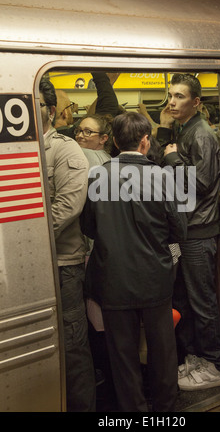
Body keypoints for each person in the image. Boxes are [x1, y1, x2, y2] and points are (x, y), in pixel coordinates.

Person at [80, 112, 187, 412]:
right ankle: (165, 409)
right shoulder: (162, 175)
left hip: (113, 280)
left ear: (113, 141)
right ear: (145, 141)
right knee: (162, 351)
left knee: (122, 356)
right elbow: (180, 229)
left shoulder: (98, 175)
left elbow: (88, 226)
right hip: (156, 278)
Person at [157, 73, 220, 390]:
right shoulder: (182, 129)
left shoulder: (202, 135)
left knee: (202, 302)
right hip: (185, 229)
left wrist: (172, 160)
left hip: (199, 230)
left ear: (196, 102)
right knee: (184, 300)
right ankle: (196, 358)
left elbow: (200, 183)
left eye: (180, 96)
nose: (172, 101)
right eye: (171, 95)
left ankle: (214, 365)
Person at [39, 77, 96, 412]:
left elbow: (67, 207)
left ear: (48, 110)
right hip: (32, 267)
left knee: (72, 343)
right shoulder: (18, 150)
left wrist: (31, 244)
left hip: (63, 264)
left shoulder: (65, 149)